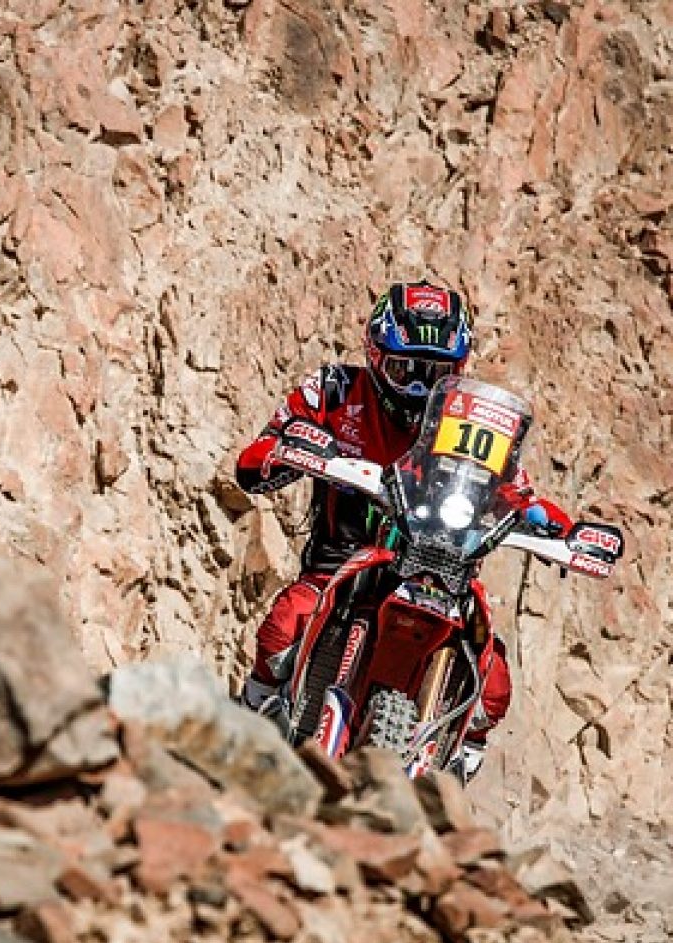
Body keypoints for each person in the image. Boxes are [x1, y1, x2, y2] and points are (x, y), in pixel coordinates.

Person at [234, 280, 571, 778]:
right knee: (283, 628)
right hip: (341, 563)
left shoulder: (469, 424)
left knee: (494, 682)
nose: (417, 385)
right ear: (375, 356)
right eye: (405, 368)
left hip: (443, 570)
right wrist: (294, 446)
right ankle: (246, 730)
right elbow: (252, 462)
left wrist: (550, 524)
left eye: (435, 373)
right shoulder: (334, 390)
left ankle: (455, 768)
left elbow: (517, 491)